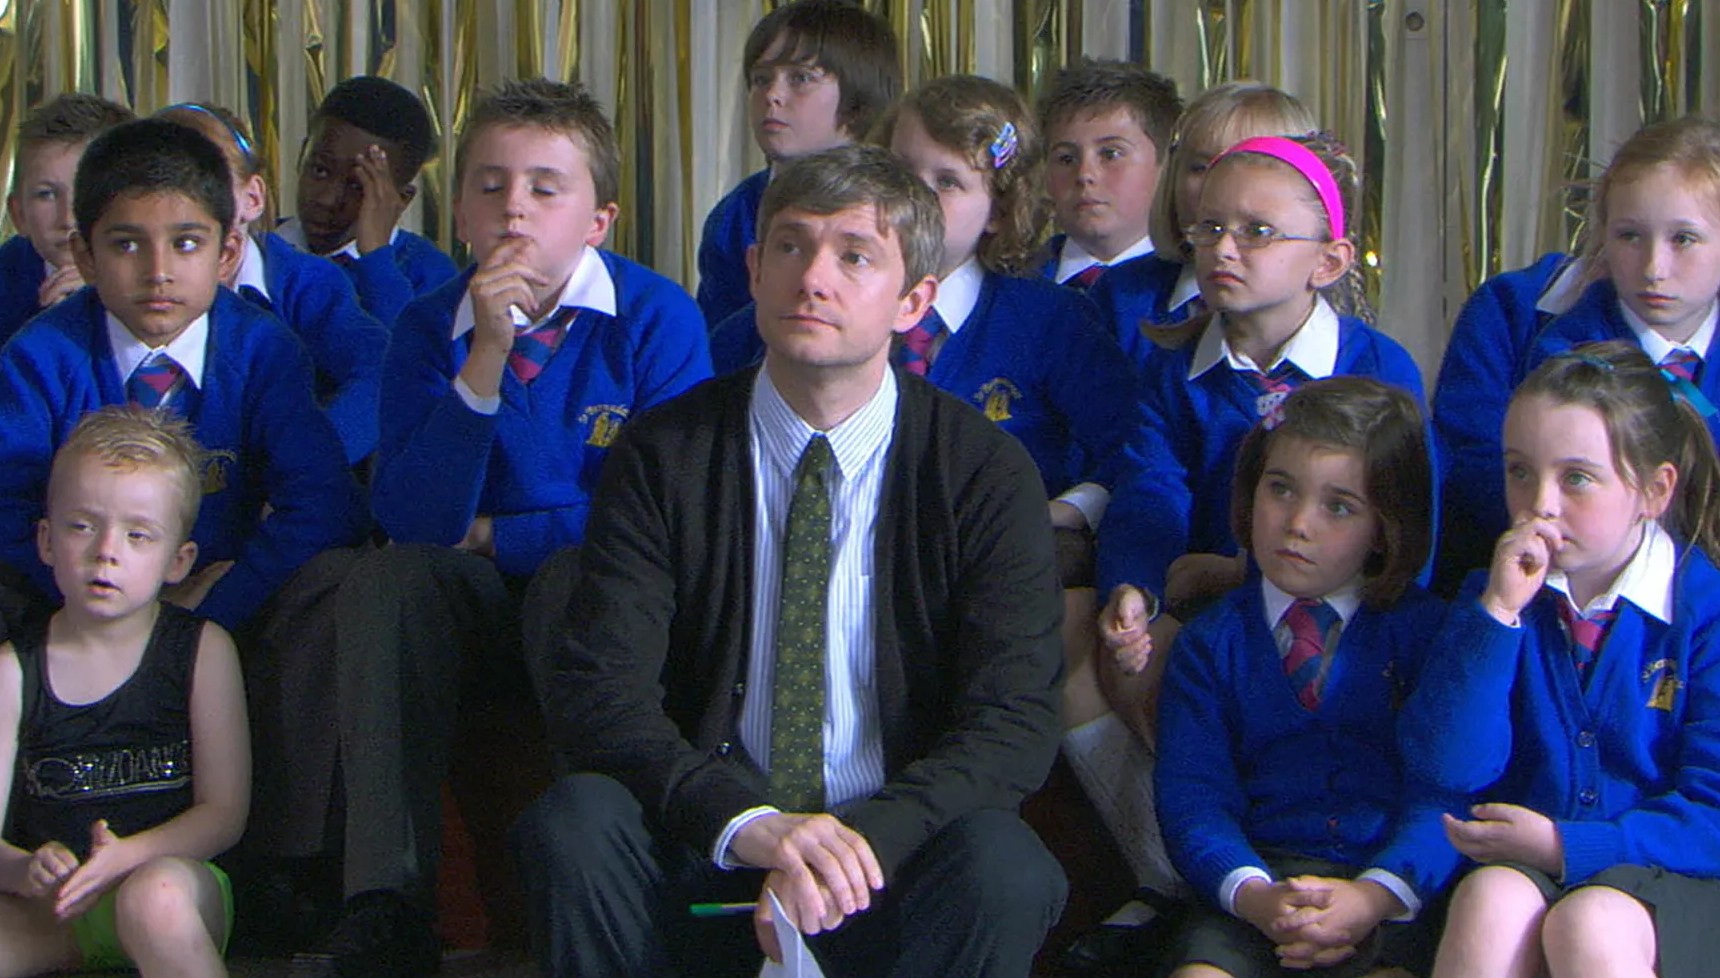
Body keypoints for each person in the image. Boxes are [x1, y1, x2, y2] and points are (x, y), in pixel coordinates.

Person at [511, 144, 1067, 978]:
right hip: (712, 838)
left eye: (854, 256)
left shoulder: (984, 471)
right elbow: (601, 696)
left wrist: (853, 847)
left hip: (892, 853)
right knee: (575, 822)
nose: (813, 277)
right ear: (754, 269)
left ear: (914, 299)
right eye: (790, 246)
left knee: (1007, 867)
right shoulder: (664, 451)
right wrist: (747, 825)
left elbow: (1014, 722)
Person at [327, 76, 711, 977]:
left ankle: (598, 870)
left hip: (593, 597)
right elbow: (416, 521)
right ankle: (386, 901)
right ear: (458, 208)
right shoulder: (430, 326)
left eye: (546, 187)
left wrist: (503, 535)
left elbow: (661, 518)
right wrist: (486, 358)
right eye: (491, 185)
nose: (515, 209)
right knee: (384, 580)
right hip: (461, 600)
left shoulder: (655, 320)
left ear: (598, 221)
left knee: (578, 576)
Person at [0, 118, 368, 951]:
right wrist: (96, 593)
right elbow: (4, 498)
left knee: (335, 585)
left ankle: (288, 867)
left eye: (188, 242)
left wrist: (212, 601)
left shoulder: (262, 348)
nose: (159, 271)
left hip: (213, 597)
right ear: (84, 258)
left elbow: (324, 503)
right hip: (63, 595)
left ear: (230, 251)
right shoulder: (41, 357)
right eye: (126, 245)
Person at [1401, 341, 1720, 978]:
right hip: (1532, 869)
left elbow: (1711, 818)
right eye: (1519, 471)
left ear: (1654, 491)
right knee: (1492, 899)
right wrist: (1497, 615)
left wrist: (1565, 844)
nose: (1539, 503)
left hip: (1683, 880)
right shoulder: (1493, 595)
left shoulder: (1704, 610)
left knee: (1592, 921)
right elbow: (1448, 766)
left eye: (1575, 478)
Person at [1095, 132, 1422, 743]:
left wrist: (1227, 572)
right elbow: (1149, 493)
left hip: (1354, 609)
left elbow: (1407, 523)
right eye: (1210, 227)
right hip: (1215, 617)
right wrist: (1136, 585)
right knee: (1142, 668)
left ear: (1328, 262)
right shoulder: (1173, 369)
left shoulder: (1380, 367)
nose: (1224, 248)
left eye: (1258, 232)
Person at [1148, 378, 1456, 977]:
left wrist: (1375, 895)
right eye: (1280, 490)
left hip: (1392, 893)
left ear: (1386, 526)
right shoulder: (1211, 645)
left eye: (1338, 506)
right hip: (1257, 890)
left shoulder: (1428, 634)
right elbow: (1193, 799)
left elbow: (1444, 795)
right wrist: (1258, 897)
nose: (1297, 524)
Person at [0, 407, 249, 978]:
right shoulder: (14, 671)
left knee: (154, 898)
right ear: (45, 539)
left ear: (178, 560)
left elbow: (224, 814)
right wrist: (22, 870)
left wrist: (127, 858)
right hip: (56, 907)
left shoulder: (202, 651)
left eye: (138, 535)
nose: (105, 551)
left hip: (170, 887)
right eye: (82, 526)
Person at [158, 102, 389, 466]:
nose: (183, 204)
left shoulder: (305, 283)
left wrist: (306, 468)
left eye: (207, 184)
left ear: (252, 199)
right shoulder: (135, 283)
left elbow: (380, 370)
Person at [694, 0, 901, 328]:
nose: (772, 95)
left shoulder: (899, 206)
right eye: (761, 79)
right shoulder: (734, 216)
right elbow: (721, 348)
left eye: (801, 78)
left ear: (857, 96)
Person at [1087, 82, 1316, 370]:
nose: (1218, 188)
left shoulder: (1351, 342)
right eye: (1200, 167)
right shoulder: (1120, 296)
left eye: (1247, 170)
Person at [1430, 250, 1587, 594]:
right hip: (1501, 568)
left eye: (1683, 239)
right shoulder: (1508, 306)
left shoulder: (1700, 606)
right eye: (1629, 235)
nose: (1654, 268)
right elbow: (1467, 456)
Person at [280, 74, 460, 326]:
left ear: (400, 200)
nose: (328, 200)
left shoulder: (430, 275)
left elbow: (406, 357)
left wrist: (376, 257)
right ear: (302, 156)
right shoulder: (262, 248)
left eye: (358, 186)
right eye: (320, 170)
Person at [1034, 59, 1181, 290]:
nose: (1084, 174)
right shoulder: (1016, 284)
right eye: (1066, 159)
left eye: (1111, 154)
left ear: (1168, 164)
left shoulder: (1195, 293)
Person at [0, 93, 134, 346]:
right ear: (19, 215)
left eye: (87, 190)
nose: (68, 218)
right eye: (46, 195)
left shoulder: (169, 276)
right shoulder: (6, 285)